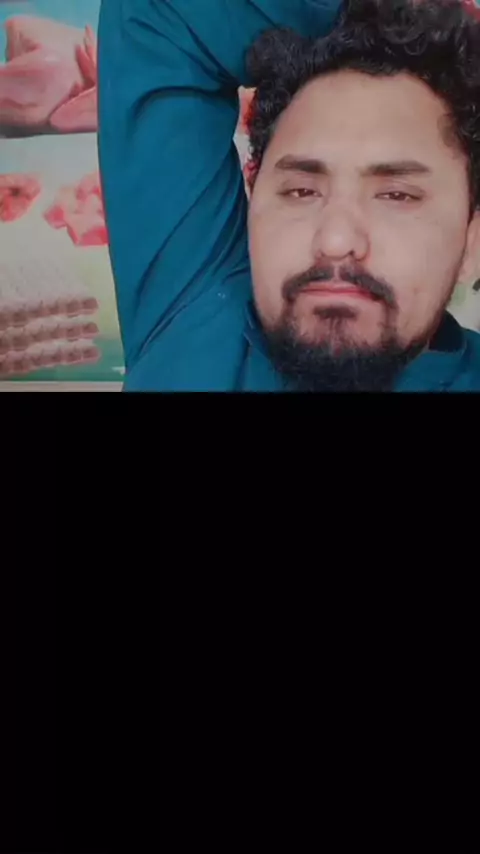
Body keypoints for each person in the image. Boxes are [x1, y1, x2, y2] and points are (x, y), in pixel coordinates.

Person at [98, 0, 480, 392]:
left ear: (472, 241)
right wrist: (379, 15)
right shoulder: (191, 312)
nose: (335, 241)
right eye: (301, 191)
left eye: (396, 195)